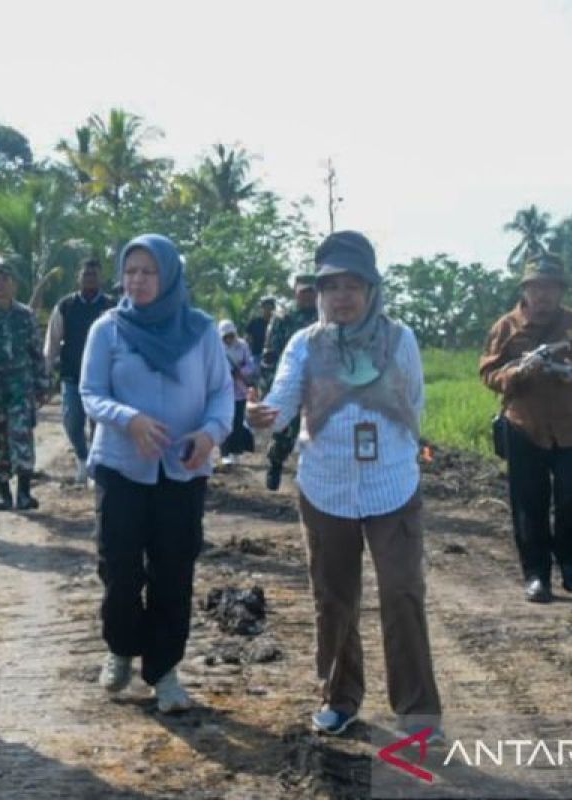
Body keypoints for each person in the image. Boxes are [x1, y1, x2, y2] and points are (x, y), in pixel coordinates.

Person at [248, 230, 443, 740]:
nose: (341, 296)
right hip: (326, 487)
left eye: (352, 285)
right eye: (330, 286)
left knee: (402, 592)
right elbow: (282, 401)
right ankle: (339, 698)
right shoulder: (304, 344)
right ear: (317, 293)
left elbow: (415, 404)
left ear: (371, 290)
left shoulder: (400, 340)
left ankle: (418, 713)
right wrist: (260, 415)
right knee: (333, 598)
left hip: (392, 484)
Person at [81, 233, 234, 714]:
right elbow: (90, 392)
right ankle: (122, 646)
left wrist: (209, 435)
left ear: (168, 276)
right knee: (120, 567)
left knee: (174, 571)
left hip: (183, 471)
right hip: (122, 467)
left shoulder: (202, 330)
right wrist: (131, 420)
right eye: (131, 271)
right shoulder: (108, 329)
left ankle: (164, 672)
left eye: (149, 272)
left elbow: (221, 394)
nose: (139, 281)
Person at [479, 253, 572, 603]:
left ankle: (570, 562)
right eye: (537, 288)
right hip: (524, 427)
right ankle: (536, 576)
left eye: (550, 288)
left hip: (571, 428)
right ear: (526, 290)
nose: (543, 296)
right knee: (529, 503)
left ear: (560, 291)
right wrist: (519, 372)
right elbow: (488, 374)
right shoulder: (506, 327)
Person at [0, 261, 49, 511]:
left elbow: (36, 352)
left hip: (21, 387)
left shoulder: (25, 316)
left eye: (5, 280)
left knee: (22, 436)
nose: (0, 285)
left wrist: (42, 385)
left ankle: (24, 493)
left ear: (15, 285)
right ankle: (4, 494)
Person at [45, 258, 114, 484]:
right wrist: (46, 371)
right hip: (72, 375)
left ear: (100, 277)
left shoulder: (112, 307)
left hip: (104, 378)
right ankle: (82, 457)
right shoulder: (65, 306)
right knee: (72, 421)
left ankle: (94, 466)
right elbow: (53, 341)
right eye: (86, 274)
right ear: (79, 277)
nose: (90, 278)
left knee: (100, 423)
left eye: (94, 274)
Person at [260, 273, 318, 491]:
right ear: (295, 292)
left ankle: (313, 477)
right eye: (304, 292)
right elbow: (270, 355)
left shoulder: (326, 317)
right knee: (284, 428)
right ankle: (275, 462)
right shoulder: (283, 319)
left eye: (312, 292)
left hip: (319, 383)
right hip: (289, 381)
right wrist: (268, 387)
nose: (308, 297)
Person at [218, 319, 257, 465]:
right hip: (223, 391)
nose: (228, 338)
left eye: (231, 335)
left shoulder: (243, 345)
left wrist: (241, 371)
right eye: (225, 336)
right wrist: (227, 374)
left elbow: (251, 365)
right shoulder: (217, 348)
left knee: (238, 422)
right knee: (225, 421)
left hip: (240, 390)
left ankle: (236, 451)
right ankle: (224, 453)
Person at [244, 295, 277, 361]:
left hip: (273, 357)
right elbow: (247, 340)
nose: (268, 309)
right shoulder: (254, 322)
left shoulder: (278, 323)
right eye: (266, 306)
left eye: (271, 306)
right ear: (262, 307)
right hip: (256, 356)